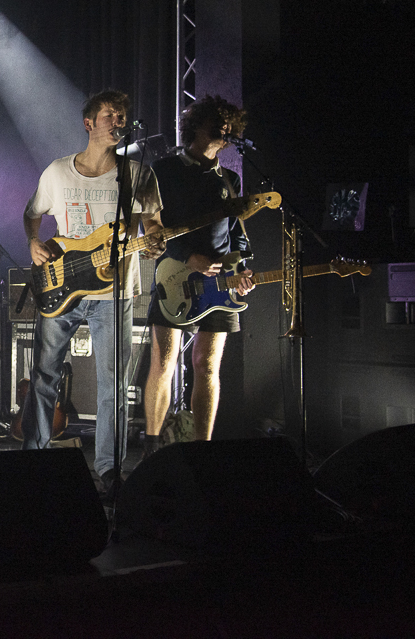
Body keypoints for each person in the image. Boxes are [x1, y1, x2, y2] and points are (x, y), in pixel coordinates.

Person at [21, 89, 164, 491]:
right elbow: (32, 214)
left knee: (113, 385)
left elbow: (153, 224)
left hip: (114, 292)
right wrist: (33, 242)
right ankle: (32, 459)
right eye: (110, 116)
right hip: (62, 286)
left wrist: (155, 241)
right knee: (44, 377)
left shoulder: (138, 173)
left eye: (122, 116)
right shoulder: (57, 172)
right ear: (88, 123)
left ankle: (109, 468)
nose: (119, 122)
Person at [143, 95, 255, 452]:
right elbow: (154, 228)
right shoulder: (164, 170)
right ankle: (152, 448)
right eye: (217, 122)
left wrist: (243, 266)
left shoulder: (230, 178)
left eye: (229, 124)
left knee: (206, 367)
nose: (225, 129)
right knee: (164, 363)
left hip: (219, 283)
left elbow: (236, 231)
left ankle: (201, 450)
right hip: (174, 274)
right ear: (197, 125)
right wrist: (188, 256)